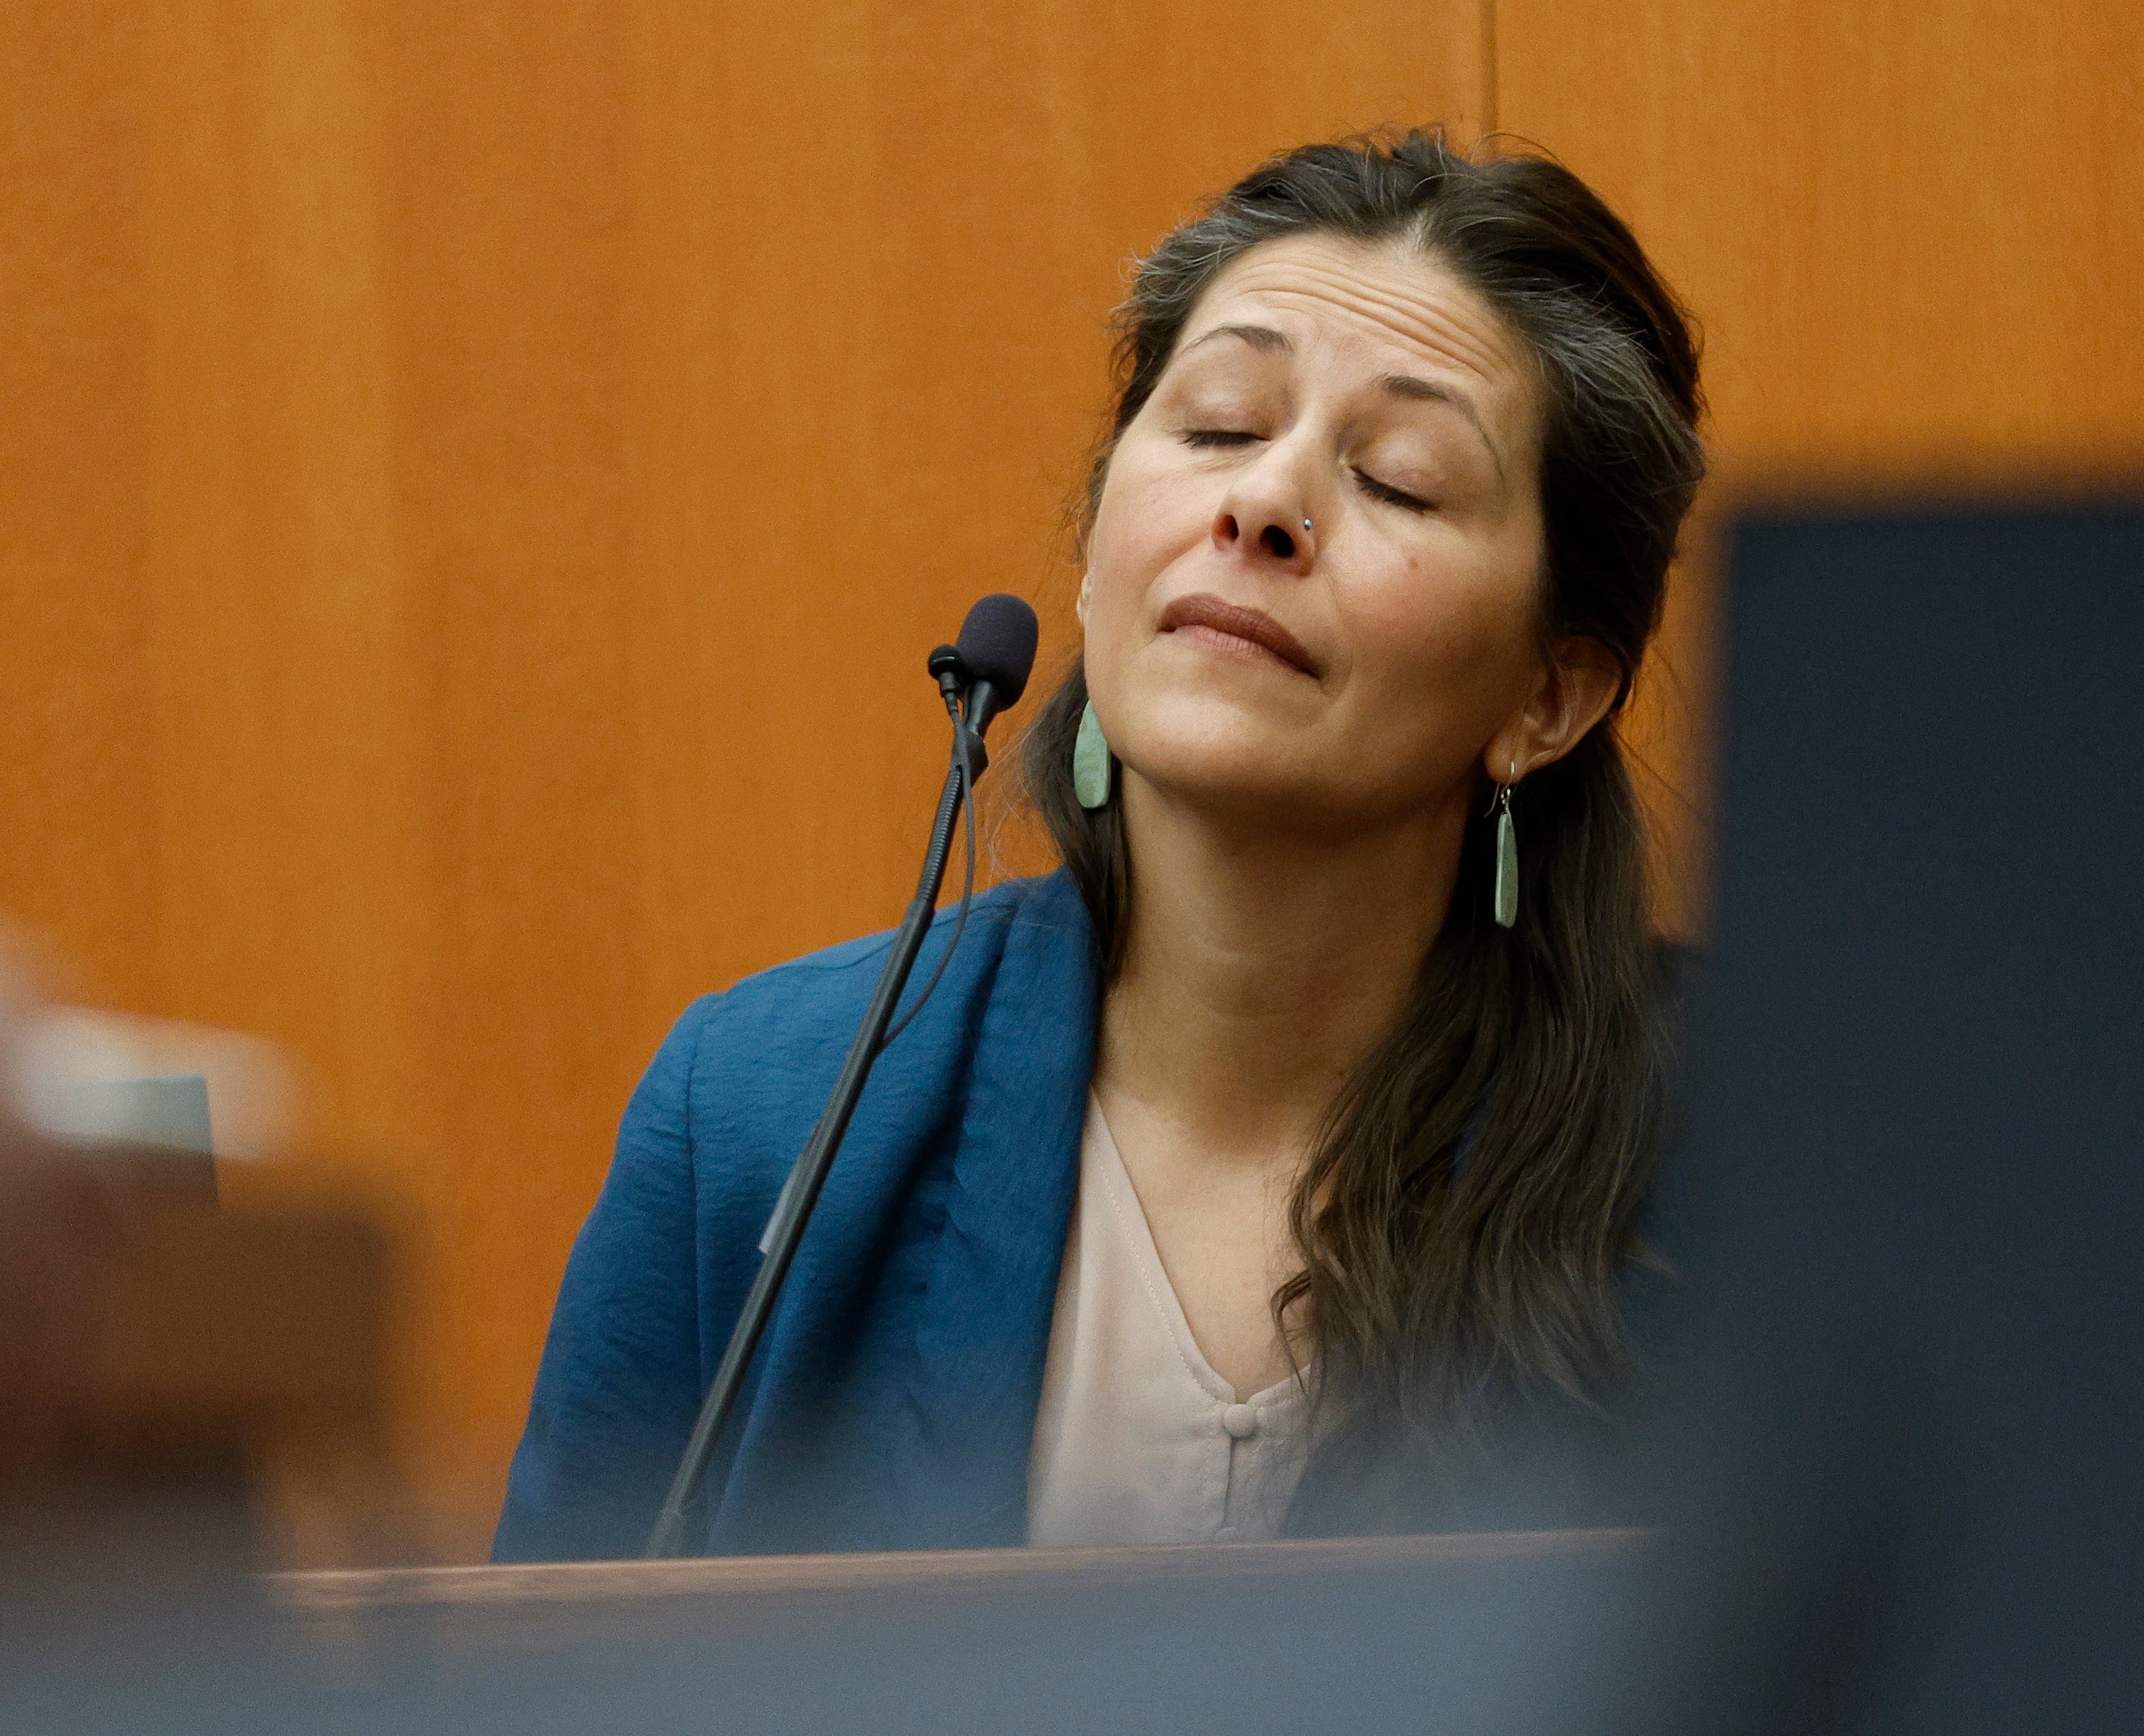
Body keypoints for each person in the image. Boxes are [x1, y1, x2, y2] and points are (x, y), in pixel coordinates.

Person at [494, 129, 1707, 1561]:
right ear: (1090, 555)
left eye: (1396, 478)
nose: (1260, 504)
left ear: (1546, 694)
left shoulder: (1761, 1152)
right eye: (1212, 425)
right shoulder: (761, 1115)